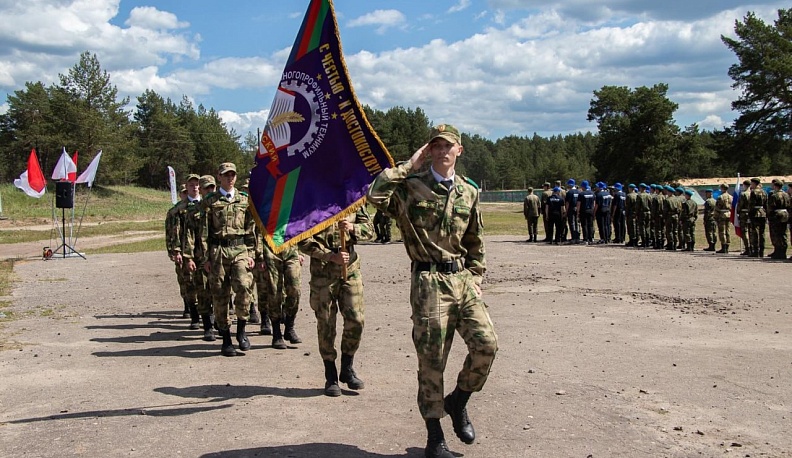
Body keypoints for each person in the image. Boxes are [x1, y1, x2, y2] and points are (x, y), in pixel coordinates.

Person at [367, 124, 498, 458]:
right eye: (435, 146)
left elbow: (475, 239)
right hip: (428, 283)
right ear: (429, 150)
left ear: (459, 150)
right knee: (432, 360)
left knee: (486, 345)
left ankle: (458, 401)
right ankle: (434, 437)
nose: (442, 151)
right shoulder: (411, 187)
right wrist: (409, 165)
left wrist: (476, 276)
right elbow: (374, 195)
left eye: (447, 146)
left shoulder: (469, 191)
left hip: (462, 280)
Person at [299, 206, 374, 397]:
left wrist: (352, 228)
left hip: (350, 269)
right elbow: (302, 240)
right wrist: (330, 256)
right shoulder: (311, 203)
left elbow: (370, 230)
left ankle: (347, 368)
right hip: (323, 273)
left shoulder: (353, 201)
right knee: (326, 324)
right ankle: (331, 375)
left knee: (356, 320)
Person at [199, 162, 257, 357]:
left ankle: (241, 330)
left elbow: (250, 228)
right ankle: (226, 339)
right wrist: (205, 258)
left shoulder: (244, 199)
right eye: (226, 175)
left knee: (244, 287)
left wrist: (251, 254)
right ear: (219, 177)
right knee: (220, 294)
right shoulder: (210, 201)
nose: (230, 178)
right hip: (218, 252)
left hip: (240, 249)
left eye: (232, 175)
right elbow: (204, 232)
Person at [258, 239, 304, 348]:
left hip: (291, 250)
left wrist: (300, 252)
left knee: (295, 289)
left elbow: (299, 229)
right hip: (271, 251)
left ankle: (289, 327)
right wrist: (260, 256)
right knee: (274, 293)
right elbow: (259, 233)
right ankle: (277, 333)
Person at [177, 174, 205, 332]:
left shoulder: (207, 205)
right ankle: (194, 314)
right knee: (189, 283)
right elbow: (173, 232)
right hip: (187, 251)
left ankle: (209, 317)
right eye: (191, 185)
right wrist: (176, 251)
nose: (195, 187)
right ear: (186, 188)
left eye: (197, 184)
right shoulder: (179, 209)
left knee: (208, 284)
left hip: (205, 251)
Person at [166, 186, 189, 318]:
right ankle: (187, 304)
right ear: (180, 194)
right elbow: (169, 232)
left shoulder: (199, 207)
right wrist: (172, 251)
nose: (186, 194)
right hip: (181, 249)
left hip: (195, 250)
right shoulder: (174, 211)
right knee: (183, 278)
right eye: (184, 192)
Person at [766, 179, 789, 260]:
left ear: (775, 186)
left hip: (776, 215)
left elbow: (771, 207)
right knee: (783, 233)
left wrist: (769, 216)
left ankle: (778, 252)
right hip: (785, 214)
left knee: (776, 234)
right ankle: (783, 252)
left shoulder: (774, 195)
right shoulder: (786, 194)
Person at [748, 178, 768, 258]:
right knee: (762, 233)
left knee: (755, 233)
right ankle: (761, 251)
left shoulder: (753, 192)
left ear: (754, 184)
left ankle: (756, 251)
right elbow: (766, 204)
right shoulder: (764, 192)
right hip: (763, 213)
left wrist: (750, 214)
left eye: (751, 184)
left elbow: (751, 204)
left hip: (755, 213)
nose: (751, 185)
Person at [736, 179, 753, 256]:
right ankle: (753, 247)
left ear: (744, 185)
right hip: (751, 214)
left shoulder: (743, 194)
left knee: (744, 231)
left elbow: (740, 205)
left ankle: (747, 248)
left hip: (744, 214)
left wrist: (738, 212)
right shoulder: (753, 193)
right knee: (751, 231)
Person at [715, 184, 733, 254]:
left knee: (722, 231)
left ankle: (724, 246)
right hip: (729, 214)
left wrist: (716, 216)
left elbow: (717, 208)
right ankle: (727, 246)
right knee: (728, 230)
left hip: (722, 214)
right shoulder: (731, 197)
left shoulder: (720, 197)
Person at [662, 185, 681, 251]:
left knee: (669, 230)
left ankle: (670, 244)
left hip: (669, 216)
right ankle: (675, 244)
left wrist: (664, 217)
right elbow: (679, 209)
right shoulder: (677, 199)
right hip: (676, 216)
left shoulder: (667, 200)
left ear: (669, 192)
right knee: (675, 230)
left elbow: (665, 210)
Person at [576, 180, 595, 245]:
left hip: (583, 211)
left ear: (583, 186)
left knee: (584, 225)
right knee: (590, 225)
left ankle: (585, 239)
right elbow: (594, 203)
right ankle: (591, 238)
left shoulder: (581, 194)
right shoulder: (592, 193)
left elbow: (578, 204)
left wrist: (578, 212)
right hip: (591, 210)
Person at [635, 183, 652, 248]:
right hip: (648, 212)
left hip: (642, 213)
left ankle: (644, 241)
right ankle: (647, 241)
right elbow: (651, 205)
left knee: (642, 227)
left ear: (641, 188)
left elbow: (637, 206)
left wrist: (636, 214)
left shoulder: (639, 196)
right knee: (647, 227)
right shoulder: (649, 195)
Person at [564, 179, 580, 244]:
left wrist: (566, 211)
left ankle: (573, 237)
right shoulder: (578, 191)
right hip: (577, 208)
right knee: (577, 223)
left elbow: (567, 203)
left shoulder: (569, 192)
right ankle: (577, 237)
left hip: (571, 208)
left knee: (572, 223)